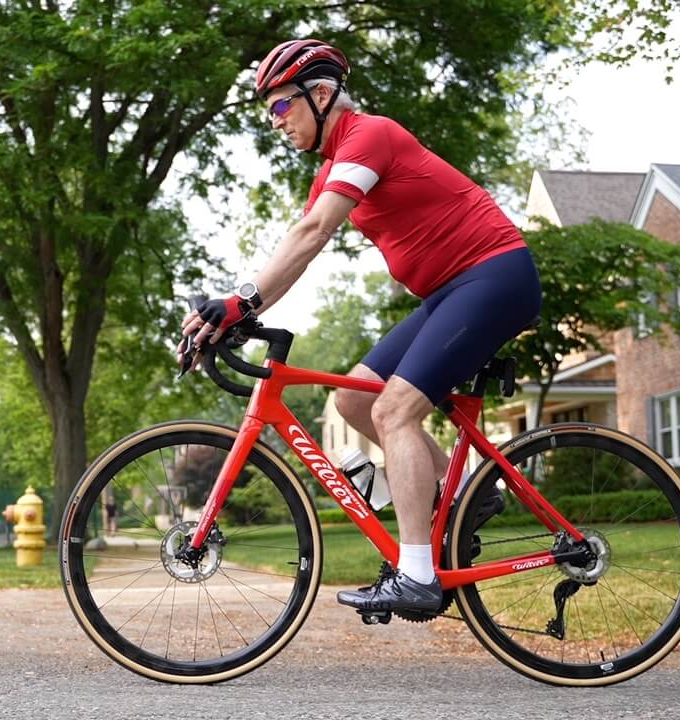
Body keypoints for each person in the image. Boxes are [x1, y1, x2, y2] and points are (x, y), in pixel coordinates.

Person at [177, 39, 542, 616]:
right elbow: (299, 251)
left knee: (393, 411)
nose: (276, 123)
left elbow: (316, 231)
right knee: (351, 402)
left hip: (493, 275)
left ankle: (417, 576)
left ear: (321, 95)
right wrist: (238, 313)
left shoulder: (368, 134)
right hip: (452, 291)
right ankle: (465, 502)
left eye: (280, 107)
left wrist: (239, 301)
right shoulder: (331, 169)